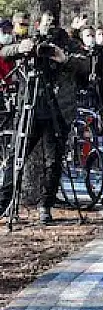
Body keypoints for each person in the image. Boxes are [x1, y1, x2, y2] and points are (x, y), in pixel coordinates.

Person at [0, 18, 72, 222]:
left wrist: (62, 58)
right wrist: (20, 48)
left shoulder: (66, 44)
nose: (48, 26)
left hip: (55, 110)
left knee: (54, 160)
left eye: (52, 23)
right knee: (16, 157)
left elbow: (83, 64)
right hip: (28, 107)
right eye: (44, 23)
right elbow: (4, 53)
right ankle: (4, 203)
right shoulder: (28, 41)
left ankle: (45, 205)